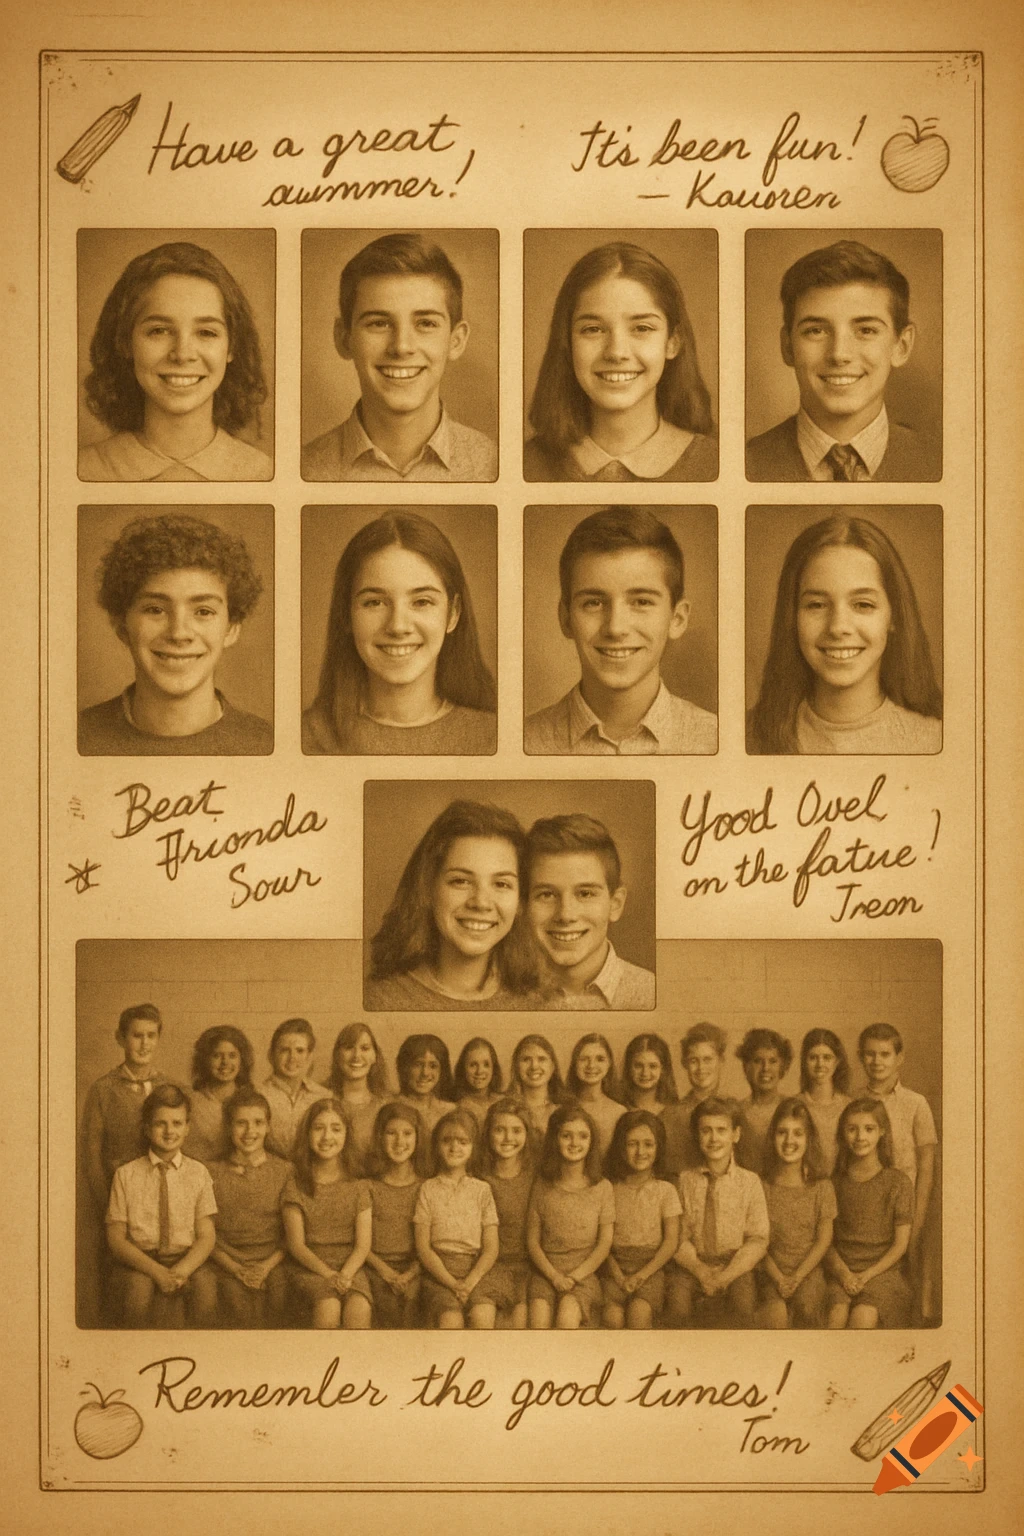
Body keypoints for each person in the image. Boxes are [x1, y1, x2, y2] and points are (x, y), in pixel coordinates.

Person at [302, 232, 496, 482]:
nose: (402, 346)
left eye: (426, 323)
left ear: (455, 341)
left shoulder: (492, 464)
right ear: (344, 338)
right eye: (379, 323)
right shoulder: (307, 468)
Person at [524, 506, 717, 755]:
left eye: (641, 602)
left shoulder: (713, 738)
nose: (615, 628)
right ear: (565, 619)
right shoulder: (527, 740)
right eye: (593, 603)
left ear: (677, 619)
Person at [78, 512, 273, 755]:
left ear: (232, 628)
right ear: (121, 625)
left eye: (203, 611)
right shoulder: (75, 737)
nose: (179, 633)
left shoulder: (264, 744)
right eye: (155, 609)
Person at [302, 512, 496, 755]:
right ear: (346, 615)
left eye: (422, 602)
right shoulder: (308, 737)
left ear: (453, 614)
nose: (398, 626)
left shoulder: (491, 737)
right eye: (374, 602)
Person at [745, 239, 939, 482]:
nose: (839, 354)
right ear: (787, 346)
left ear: (901, 346)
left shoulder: (938, 463)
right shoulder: (746, 463)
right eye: (816, 331)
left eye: (866, 331)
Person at [747, 514, 942, 755]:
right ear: (792, 617)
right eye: (817, 605)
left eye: (863, 605)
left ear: (894, 617)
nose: (838, 627)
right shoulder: (747, 736)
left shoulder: (935, 741)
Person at [80, 241, 272, 482]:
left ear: (232, 346)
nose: (182, 354)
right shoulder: (87, 470)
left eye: (206, 333)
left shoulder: (260, 473)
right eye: (159, 330)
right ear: (125, 342)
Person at [524, 241, 717, 482]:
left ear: (672, 342)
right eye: (593, 329)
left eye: (642, 328)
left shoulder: (717, 464)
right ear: (567, 342)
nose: (616, 352)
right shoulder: (525, 466)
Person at [365, 799, 540, 1009]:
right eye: (461, 881)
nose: (481, 903)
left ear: (520, 900)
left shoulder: (538, 1002)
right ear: (428, 888)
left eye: (501, 884)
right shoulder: (380, 1000)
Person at [105, 1083, 218, 1327]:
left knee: (207, 1290)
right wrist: (157, 1272)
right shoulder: (125, 1175)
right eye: (160, 1123)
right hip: (141, 1260)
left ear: (187, 1127)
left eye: (177, 1123)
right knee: (137, 1293)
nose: (169, 1131)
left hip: (184, 1258)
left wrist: (181, 1272)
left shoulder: (198, 1173)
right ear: (146, 1128)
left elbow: (207, 1236)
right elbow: (116, 1240)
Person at [525, 813, 656, 1008]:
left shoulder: (649, 993)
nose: (566, 915)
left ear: (616, 904)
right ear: (523, 905)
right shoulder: (500, 995)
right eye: (547, 895)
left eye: (585, 894)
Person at [665, 1098, 769, 1329]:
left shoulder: (749, 1182)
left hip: (735, 1264)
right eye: (706, 1131)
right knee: (677, 1305)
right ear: (697, 1136)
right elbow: (678, 1239)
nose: (714, 1139)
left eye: (721, 1130)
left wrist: (726, 1276)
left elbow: (758, 1239)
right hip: (693, 1264)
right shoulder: (685, 1180)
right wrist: (700, 1270)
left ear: (736, 1135)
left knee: (743, 1306)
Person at [281, 1097, 373, 1329]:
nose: (327, 1137)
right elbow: (296, 1245)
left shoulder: (358, 1184)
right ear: (307, 1134)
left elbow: (363, 1245)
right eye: (318, 1128)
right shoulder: (296, 1182)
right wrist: (329, 1275)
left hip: (350, 1267)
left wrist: (346, 1274)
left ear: (346, 1134)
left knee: (359, 1307)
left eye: (336, 1129)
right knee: (329, 1306)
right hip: (311, 1268)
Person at [825, 1098, 912, 1329]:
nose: (860, 1137)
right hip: (841, 1271)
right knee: (836, 1316)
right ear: (843, 1134)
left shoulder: (898, 1183)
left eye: (869, 1129)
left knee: (862, 1318)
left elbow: (900, 1246)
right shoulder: (833, 1184)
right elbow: (826, 1242)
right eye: (852, 1129)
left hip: (882, 1273)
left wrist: (865, 1276)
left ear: (882, 1131)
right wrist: (845, 1275)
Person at [207, 1089, 290, 1328]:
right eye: (241, 1123)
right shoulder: (210, 1172)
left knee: (279, 1299)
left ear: (268, 1126)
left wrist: (265, 1267)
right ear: (228, 1127)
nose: (250, 1131)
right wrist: (235, 1269)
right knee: (237, 1307)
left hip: (273, 1261)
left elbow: (292, 1234)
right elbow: (204, 1233)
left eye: (257, 1123)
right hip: (226, 1262)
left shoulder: (285, 1171)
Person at [526, 1105, 615, 1330]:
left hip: (583, 1276)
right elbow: (532, 1241)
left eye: (582, 1136)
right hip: (546, 1272)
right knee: (538, 1320)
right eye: (566, 1136)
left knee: (566, 1319)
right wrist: (553, 1275)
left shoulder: (602, 1187)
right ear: (555, 1140)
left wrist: (574, 1277)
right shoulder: (542, 1184)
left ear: (592, 1142)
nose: (575, 1143)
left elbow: (604, 1244)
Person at [857, 1023, 937, 1267]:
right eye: (870, 1054)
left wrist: (918, 1219)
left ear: (899, 1058)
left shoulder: (916, 1103)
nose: (877, 1061)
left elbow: (926, 1167)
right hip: (865, 1208)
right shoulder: (853, 1100)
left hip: (905, 1210)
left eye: (885, 1054)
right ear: (861, 1057)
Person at [414, 1110, 499, 1328]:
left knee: (483, 1316)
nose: (454, 1148)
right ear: (436, 1145)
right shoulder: (428, 1189)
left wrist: (469, 1283)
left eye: (463, 1141)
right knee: (450, 1320)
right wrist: (452, 1284)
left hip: (476, 1270)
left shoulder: (482, 1190)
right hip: (439, 1272)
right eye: (446, 1141)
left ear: (474, 1147)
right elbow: (423, 1248)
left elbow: (491, 1248)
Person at [756, 1098, 836, 1329]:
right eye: (782, 1132)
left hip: (808, 1271)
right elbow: (756, 1241)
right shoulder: (761, 1185)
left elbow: (824, 1240)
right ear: (773, 1137)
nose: (790, 1141)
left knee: (808, 1310)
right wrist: (779, 1278)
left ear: (808, 1139)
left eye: (798, 1133)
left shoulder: (822, 1187)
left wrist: (797, 1277)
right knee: (776, 1314)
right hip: (769, 1271)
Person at [601, 1111, 681, 1330]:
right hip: (614, 1267)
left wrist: (642, 1275)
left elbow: (671, 1242)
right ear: (621, 1147)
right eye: (632, 1144)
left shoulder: (666, 1191)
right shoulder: (609, 1189)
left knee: (639, 1313)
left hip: (651, 1269)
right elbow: (601, 1240)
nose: (640, 1152)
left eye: (648, 1144)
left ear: (659, 1148)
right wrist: (616, 1274)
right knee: (612, 1318)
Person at [365, 1101, 428, 1329]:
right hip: (376, 1267)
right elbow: (361, 1244)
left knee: (415, 1301)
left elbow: (432, 1244)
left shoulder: (426, 1187)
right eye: (391, 1133)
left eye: (407, 1133)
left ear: (418, 1137)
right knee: (385, 1306)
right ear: (380, 1137)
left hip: (417, 1267)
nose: (400, 1142)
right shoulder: (368, 1186)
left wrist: (410, 1274)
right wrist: (388, 1274)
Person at [476, 1099, 535, 1329]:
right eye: (500, 1130)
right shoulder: (479, 1178)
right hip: (490, 1266)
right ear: (488, 1134)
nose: (508, 1138)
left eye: (516, 1130)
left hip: (527, 1266)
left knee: (519, 1321)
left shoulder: (536, 1177)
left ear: (527, 1134)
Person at [660, 1023, 738, 1178]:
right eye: (694, 1061)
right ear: (684, 1064)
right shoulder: (669, 1115)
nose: (701, 1067)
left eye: (708, 1059)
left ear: (721, 1060)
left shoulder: (734, 1110)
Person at [327, 1022, 392, 1177]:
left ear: (375, 1056)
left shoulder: (387, 1105)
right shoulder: (323, 1100)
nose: (356, 1056)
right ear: (337, 1055)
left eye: (364, 1048)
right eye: (349, 1047)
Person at [183, 1025, 255, 1164]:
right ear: (205, 1060)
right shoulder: (190, 1101)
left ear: (242, 1060)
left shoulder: (252, 1101)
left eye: (232, 1056)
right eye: (217, 1055)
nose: (225, 1062)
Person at [261, 1019, 325, 1160]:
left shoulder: (323, 1097)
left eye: (300, 1051)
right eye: (284, 1050)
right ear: (271, 1055)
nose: (292, 1057)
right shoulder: (258, 1095)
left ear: (309, 1056)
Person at [735, 1029, 794, 1176]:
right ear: (746, 1067)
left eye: (773, 1061)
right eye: (757, 1061)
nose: (766, 1068)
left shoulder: (794, 1108)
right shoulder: (736, 1111)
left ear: (783, 1066)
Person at [798, 1028, 853, 1174]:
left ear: (837, 1062)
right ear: (804, 1061)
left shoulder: (849, 1106)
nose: (820, 1064)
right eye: (813, 1057)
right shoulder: (796, 1105)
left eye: (827, 1058)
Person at [565, 1034, 626, 1159]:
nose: (591, 1065)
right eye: (584, 1059)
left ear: (609, 1064)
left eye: (600, 1059)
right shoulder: (563, 1107)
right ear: (574, 1064)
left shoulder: (619, 1112)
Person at [394, 1034, 458, 1136]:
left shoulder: (451, 1111)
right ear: (405, 1068)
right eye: (418, 1064)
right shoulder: (392, 1106)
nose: (425, 1073)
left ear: (442, 1071)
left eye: (433, 1066)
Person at [508, 1035, 566, 1147]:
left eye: (541, 1059)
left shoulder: (564, 1109)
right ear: (516, 1067)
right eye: (526, 1060)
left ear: (552, 1066)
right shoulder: (506, 1109)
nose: (534, 1066)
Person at [621, 1034, 679, 1116]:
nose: (645, 1073)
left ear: (663, 1069)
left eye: (653, 1066)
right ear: (629, 1068)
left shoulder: (673, 1112)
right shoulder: (619, 1110)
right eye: (638, 1066)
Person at [454, 1037, 504, 1125]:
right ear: (463, 1069)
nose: (479, 1071)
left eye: (486, 1065)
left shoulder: (503, 1102)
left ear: (493, 1068)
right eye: (473, 1065)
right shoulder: (458, 1107)